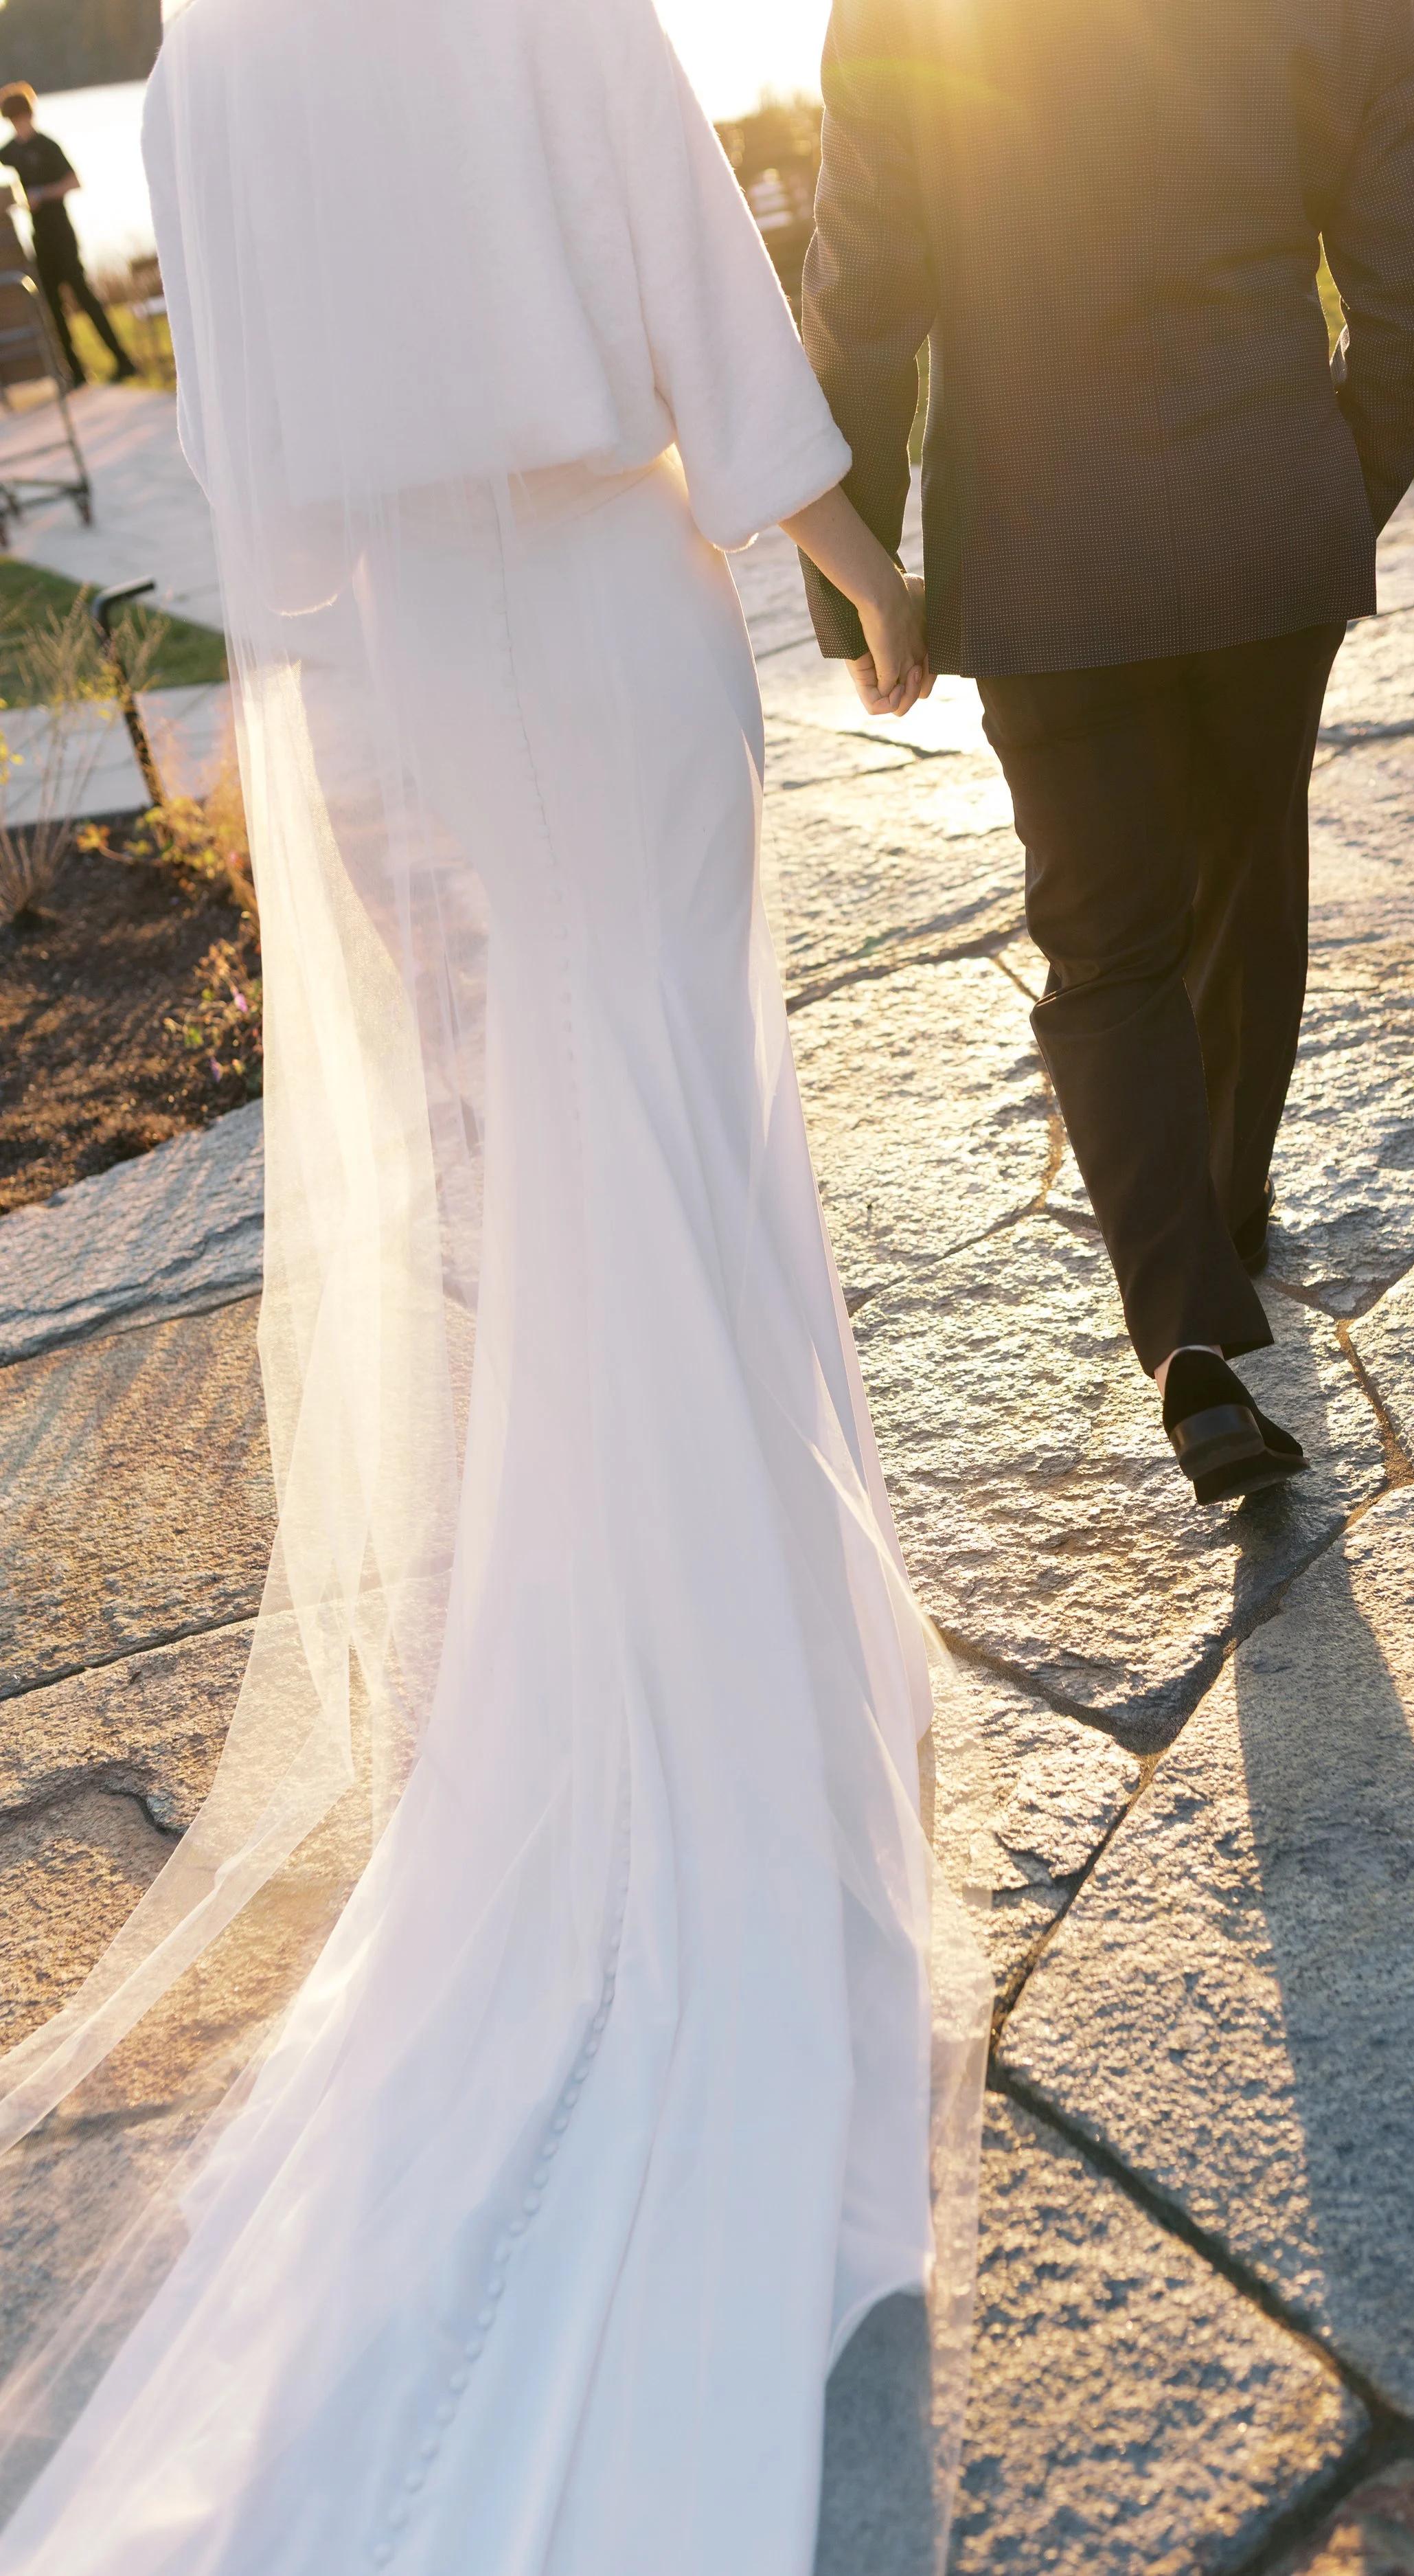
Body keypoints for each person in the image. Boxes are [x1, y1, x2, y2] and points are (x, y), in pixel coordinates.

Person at [0, 1, 983, 2571]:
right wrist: (844, 537)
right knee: (684, 1138)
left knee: (587, 1160)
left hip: (424, 652)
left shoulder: (213, 55)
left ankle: (687, 1686)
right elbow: (686, 261)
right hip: (613, 606)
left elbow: (240, 459)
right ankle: (746, 1712)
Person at [799, 0, 1414, 1505]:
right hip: (1264, 519)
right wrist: (1339, 481)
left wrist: (858, 584)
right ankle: (1224, 1216)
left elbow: (860, 294)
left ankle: (1186, 1343)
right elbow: (1412, 267)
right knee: (1245, 877)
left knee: (1102, 943)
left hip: (1041, 552)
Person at [0, 84, 138, 389]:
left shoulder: (48, 146)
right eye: (12, 120)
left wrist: (44, 194)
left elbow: (75, 181)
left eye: (21, 118)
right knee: (52, 305)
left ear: (30, 115)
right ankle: (75, 372)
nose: (19, 125)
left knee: (85, 297)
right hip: (39, 237)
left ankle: (123, 360)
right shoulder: (11, 151)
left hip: (62, 233)